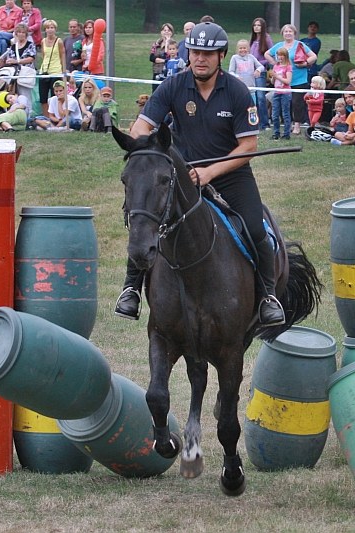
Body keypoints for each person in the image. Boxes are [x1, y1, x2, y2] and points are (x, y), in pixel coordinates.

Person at [115, 21, 287, 326]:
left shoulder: (236, 91)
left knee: (256, 228)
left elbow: (248, 145)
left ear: (221, 56)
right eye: (195, 52)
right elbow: (142, 125)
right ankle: (131, 289)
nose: (200, 58)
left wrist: (209, 173)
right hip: (182, 176)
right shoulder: (173, 85)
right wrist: (145, 144)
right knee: (146, 217)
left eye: (207, 54)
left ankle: (267, 296)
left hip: (231, 175)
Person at [264, 23, 317, 136]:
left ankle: (297, 125)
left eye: (290, 31)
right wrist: (274, 63)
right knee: (285, 104)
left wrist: (306, 63)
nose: (288, 33)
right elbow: (267, 54)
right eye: (286, 31)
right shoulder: (279, 46)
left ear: (294, 33)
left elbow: (313, 56)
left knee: (297, 103)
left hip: (299, 79)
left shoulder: (300, 45)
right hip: (283, 81)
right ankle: (287, 125)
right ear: (282, 34)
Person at [3, 23, 36, 103]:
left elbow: (31, 58)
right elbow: (10, 57)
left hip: (26, 74)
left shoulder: (30, 45)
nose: (21, 34)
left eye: (23, 32)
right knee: (14, 97)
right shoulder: (13, 46)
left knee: (26, 97)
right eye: (19, 32)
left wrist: (18, 61)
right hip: (15, 75)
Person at [250, 17, 273, 131]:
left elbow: (271, 55)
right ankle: (255, 122)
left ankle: (265, 123)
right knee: (252, 97)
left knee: (260, 97)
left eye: (258, 25)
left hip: (261, 71)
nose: (256, 27)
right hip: (250, 72)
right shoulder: (253, 40)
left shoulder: (267, 39)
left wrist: (260, 64)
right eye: (255, 25)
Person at [38, 19, 65, 117]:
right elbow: (43, 55)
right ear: (45, 30)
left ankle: (56, 117)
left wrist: (63, 70)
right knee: (43, 97)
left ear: (55, 29)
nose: (50, 30)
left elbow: (62, 56)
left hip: (56, 71)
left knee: (55, 96)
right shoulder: (43, 41)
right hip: (44, 71)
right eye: (48, 28)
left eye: (52, 28)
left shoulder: (59, 41)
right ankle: (46, 117)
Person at [270, 47, 293, 140]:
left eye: (282, 55)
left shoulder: (288, 67)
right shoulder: (276, 66)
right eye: (278, 55)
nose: (280, 57)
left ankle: (286, 133)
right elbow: (272, 82)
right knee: (274, 114)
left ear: (285, 56)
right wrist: (273, 77)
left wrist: (277, 76)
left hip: (285, 93)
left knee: (285, 113)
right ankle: (276, 132)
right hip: (276, 92)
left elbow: (288, 81)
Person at [149, 23, 173, 88]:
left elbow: (168, 58)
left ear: (171, 32)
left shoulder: (173, 45)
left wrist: (167, 42)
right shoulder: (156, 44)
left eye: (168, 30)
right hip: (156, 72)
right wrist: (164, 60)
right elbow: (151, 58)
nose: (166, 32)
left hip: (167, 73)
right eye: (164, 30)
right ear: (161, 32)